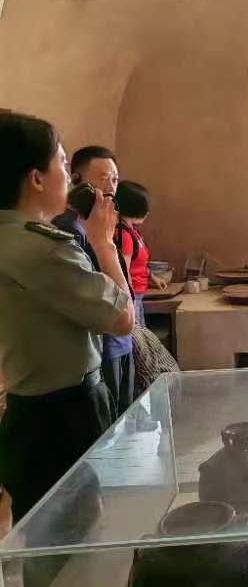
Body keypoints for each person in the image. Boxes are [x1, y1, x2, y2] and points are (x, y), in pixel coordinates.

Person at [0, 112, 134, 522]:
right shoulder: (42, 247)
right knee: (73, 532)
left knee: (44, 527)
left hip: (29, 409)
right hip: (62, 415)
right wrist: (104, 244)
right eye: (61, 162)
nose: (69, 177)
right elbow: (122, 318)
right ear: (36, 178)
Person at [52, 146, 134, 418]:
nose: (110, 188)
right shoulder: (67, 229)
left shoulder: (103, 224)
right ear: (76, 181)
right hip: (101, 345)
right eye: (102, 179)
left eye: (115, 179)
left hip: (122, 339)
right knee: (111, 424)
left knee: (127, 416)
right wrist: (103, 243)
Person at [115, 180, 167, 326]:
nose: (147, 212)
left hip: (138, 294)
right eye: (144, 208)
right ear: (133, 207)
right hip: (132, 297)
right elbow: (123, 271)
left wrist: (152, 277)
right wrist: (129, 302)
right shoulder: (124, 235)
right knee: (137, 334)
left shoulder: (132, 231)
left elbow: (137, 263)